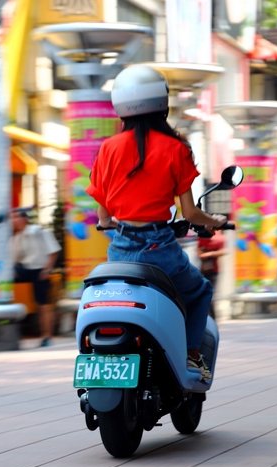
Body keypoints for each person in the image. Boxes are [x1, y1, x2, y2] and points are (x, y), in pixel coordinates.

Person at [86, 64, 226, 382]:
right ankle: (191, 356)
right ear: (162, 102)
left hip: (120, 250)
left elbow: (103, 216)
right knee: (199, 291)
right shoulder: (176, 149)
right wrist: (214, 220)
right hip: (160, 248)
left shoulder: (107, 149)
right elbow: (190, 214)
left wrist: (109, 221)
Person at [12, 208, 62, 347]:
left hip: (40, 269)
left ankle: (47, 336)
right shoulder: (15, 237)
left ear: (24, 219)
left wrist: (47, 269)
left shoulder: (38, 231)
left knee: (43, 304)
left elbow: (53, 251)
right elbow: (14, 259)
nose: (13, 221)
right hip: (24, 269)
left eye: (16, 217)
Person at [198, 232, 227, 318]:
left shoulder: (218, 238)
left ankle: (212, 317)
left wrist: (209, 254)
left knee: (210, 295)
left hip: (212, 271)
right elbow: (199, 253)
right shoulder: (202, 237)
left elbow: (224, 251)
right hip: (203, 270)